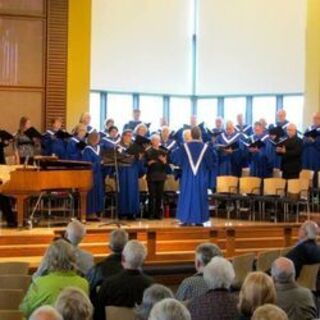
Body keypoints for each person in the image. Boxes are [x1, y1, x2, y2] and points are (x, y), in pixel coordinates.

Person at [20, 239, 89, 318]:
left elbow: (24, 311)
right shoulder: (84, 284)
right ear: (73, 258)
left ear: (48, 259)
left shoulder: (40, 283)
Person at [94, 240, 153, 320]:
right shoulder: (152, 286)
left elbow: (98, 314)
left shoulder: (109, 284)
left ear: (123, 258)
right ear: (143, 261)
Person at [171, 127, 216, 226]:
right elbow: (211, 163)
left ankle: (186, 219)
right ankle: (199, 220)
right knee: (200, 197)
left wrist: (183, 164)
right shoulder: (206, 148)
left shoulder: (184, 147)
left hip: (187, 176)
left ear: (191, 135)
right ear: (200, 135)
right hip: (201, 176)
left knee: (187, 196)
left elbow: (174, 158)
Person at [87, 229, 128, 301]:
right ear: (126, 247)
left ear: (109, 247)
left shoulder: (98, 269)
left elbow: (89, 288)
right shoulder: (133, 270)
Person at [117, 129, 146, 219]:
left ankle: (132, 213)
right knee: (124, 192)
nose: (129, 137)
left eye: (131, 135)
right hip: (123, 171)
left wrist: (140, 157)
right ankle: (122, 212)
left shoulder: (135, 146)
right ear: (123, 136)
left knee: (133, 192)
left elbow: (140, 160)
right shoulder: (119, 146)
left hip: (133, 171)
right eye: (128, 135)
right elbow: (118, 158)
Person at [145, 134, 169, 219]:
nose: (156, 142)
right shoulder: (148, 151)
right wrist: (149, 163)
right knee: (152, 196)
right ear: (152, 141)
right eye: (155, 140)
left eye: (158, 140)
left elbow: (167, 166)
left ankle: (158, 214)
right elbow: (144, 164)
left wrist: (164, 161)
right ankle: (151, 214)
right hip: (151, 175)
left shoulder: (163, 151)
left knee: (159, 196)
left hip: (161, 175)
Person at [82, 132, 105, 219]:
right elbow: (87, 164)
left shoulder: (98, 149)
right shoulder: (87, 150)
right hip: (91, 176)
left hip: (99, 175)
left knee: (98, 192)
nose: (99, 139)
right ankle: (90, 213)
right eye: (98, 138)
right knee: (92, 193)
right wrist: (99, 163)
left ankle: (96, 211)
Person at [302, 112, 320, 176]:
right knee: (306, 177)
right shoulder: (308, 129)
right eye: (314, 118)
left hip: (317, 157)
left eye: (317, 118)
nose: (315, 120)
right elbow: (303, 141)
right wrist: (309, 140)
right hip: (306, 157)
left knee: (315, 177)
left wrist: (314, 141)